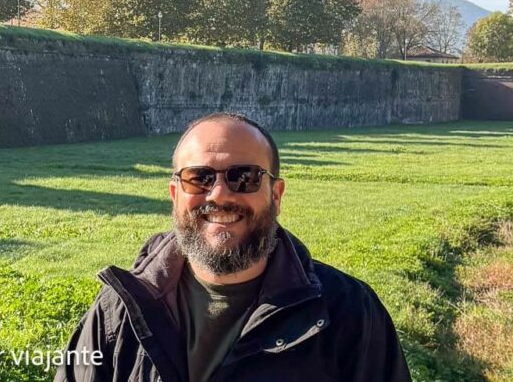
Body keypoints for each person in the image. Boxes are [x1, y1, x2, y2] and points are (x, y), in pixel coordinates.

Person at [54, 112, 411, 382]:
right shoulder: (121, 309)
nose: (220, 195)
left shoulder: (347, 311)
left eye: (244, 178)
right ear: (176, 195)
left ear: (276, 194)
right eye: (199, 178)